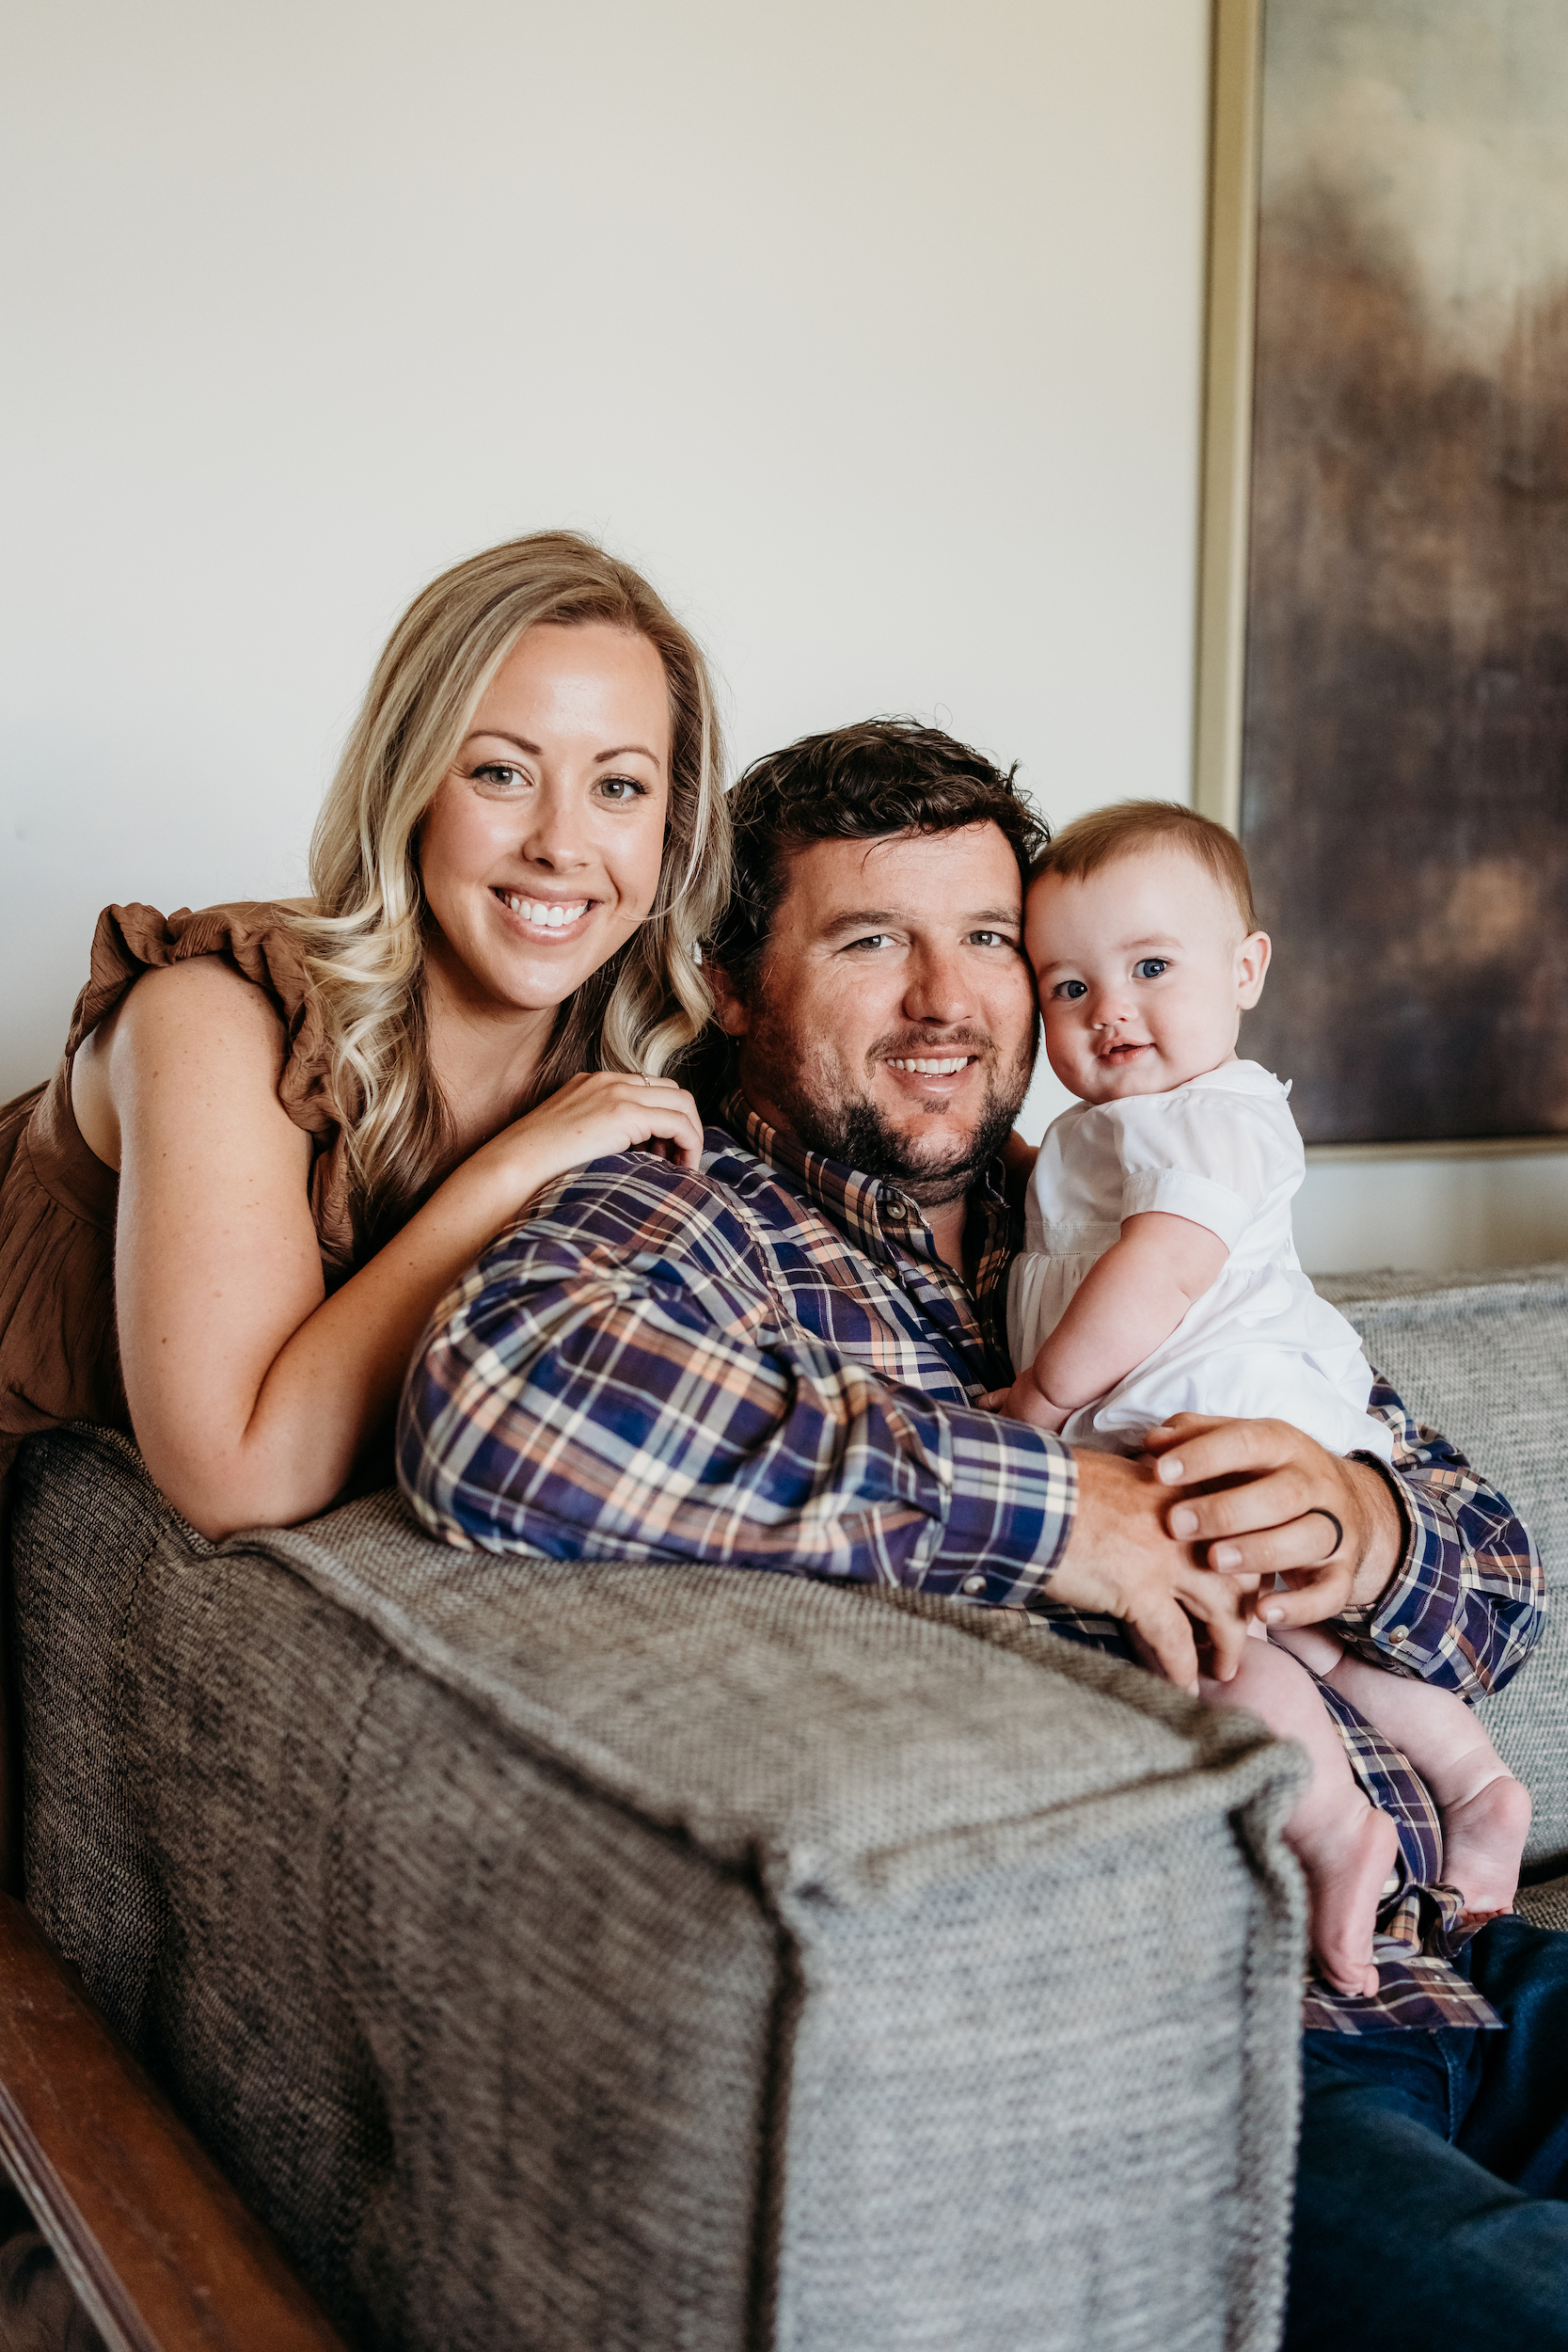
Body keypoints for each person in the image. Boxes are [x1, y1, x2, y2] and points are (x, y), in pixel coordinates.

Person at [398, 717, 1568, 2349]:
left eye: (990, 944)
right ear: (734, 982)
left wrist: (1364, 1527)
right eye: (873, 942)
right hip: (1219, 2045)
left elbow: (1502, 1585)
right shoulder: (686, 1209)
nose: (949, 1004)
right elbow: (502, 1412)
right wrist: (1050, 1510)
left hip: (1477, 1962)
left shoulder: (1128, 1197)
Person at [0, 530, 729, 1540]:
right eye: (501, 773)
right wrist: (509, 1173)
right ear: (410, 782)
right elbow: (239, 1477)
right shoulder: (217, 1012)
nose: (562, 844)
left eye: (618, 787)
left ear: (669, 825)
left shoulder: (637, 1048)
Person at [989, 799, 1530, 1998]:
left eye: (1147, 968)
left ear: (1244, 969)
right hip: (1195, 1425)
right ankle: (1478, 1786)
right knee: (1315, 1642)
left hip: (1210, 1417)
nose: (1107, 1010)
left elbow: (1156, 1268)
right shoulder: (1109, 1127)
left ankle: (1335, 1824)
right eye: (1064, 986)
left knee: (1226, 1647)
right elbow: (1084, 1220)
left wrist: (1034, 1397)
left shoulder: (1221, 1114)